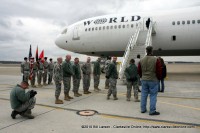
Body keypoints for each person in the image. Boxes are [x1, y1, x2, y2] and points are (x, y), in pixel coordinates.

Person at [138, 46, 162, 115]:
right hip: (153, 79)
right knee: (153, 95)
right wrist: (159, 78)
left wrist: (142, 76)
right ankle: (152, 111)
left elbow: (139, 70)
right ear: (152, 51)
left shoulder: (141, 60)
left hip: (144, 80)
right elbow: (159, 70)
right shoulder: (156, 60)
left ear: (146, 51)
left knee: (143, 95)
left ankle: (143, 109)